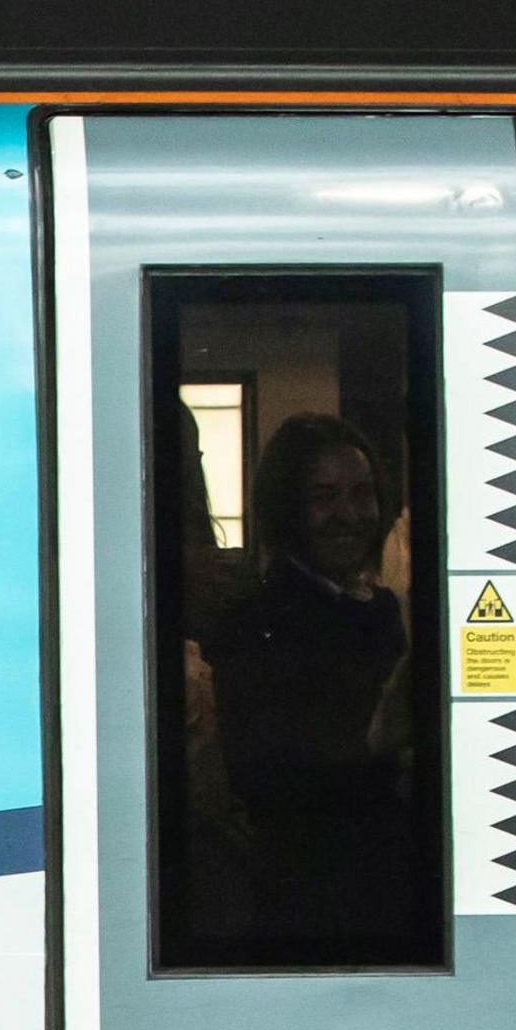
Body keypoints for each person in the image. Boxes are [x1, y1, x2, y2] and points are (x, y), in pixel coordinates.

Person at [186, 411, 430, 959]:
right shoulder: (256, 619)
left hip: (395, 897)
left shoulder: (387, 611)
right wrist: (380, 738)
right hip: (308, 908)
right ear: (289, 507)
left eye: (361, 494)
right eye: (324, 497)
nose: (348, 515)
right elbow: (264, 775)